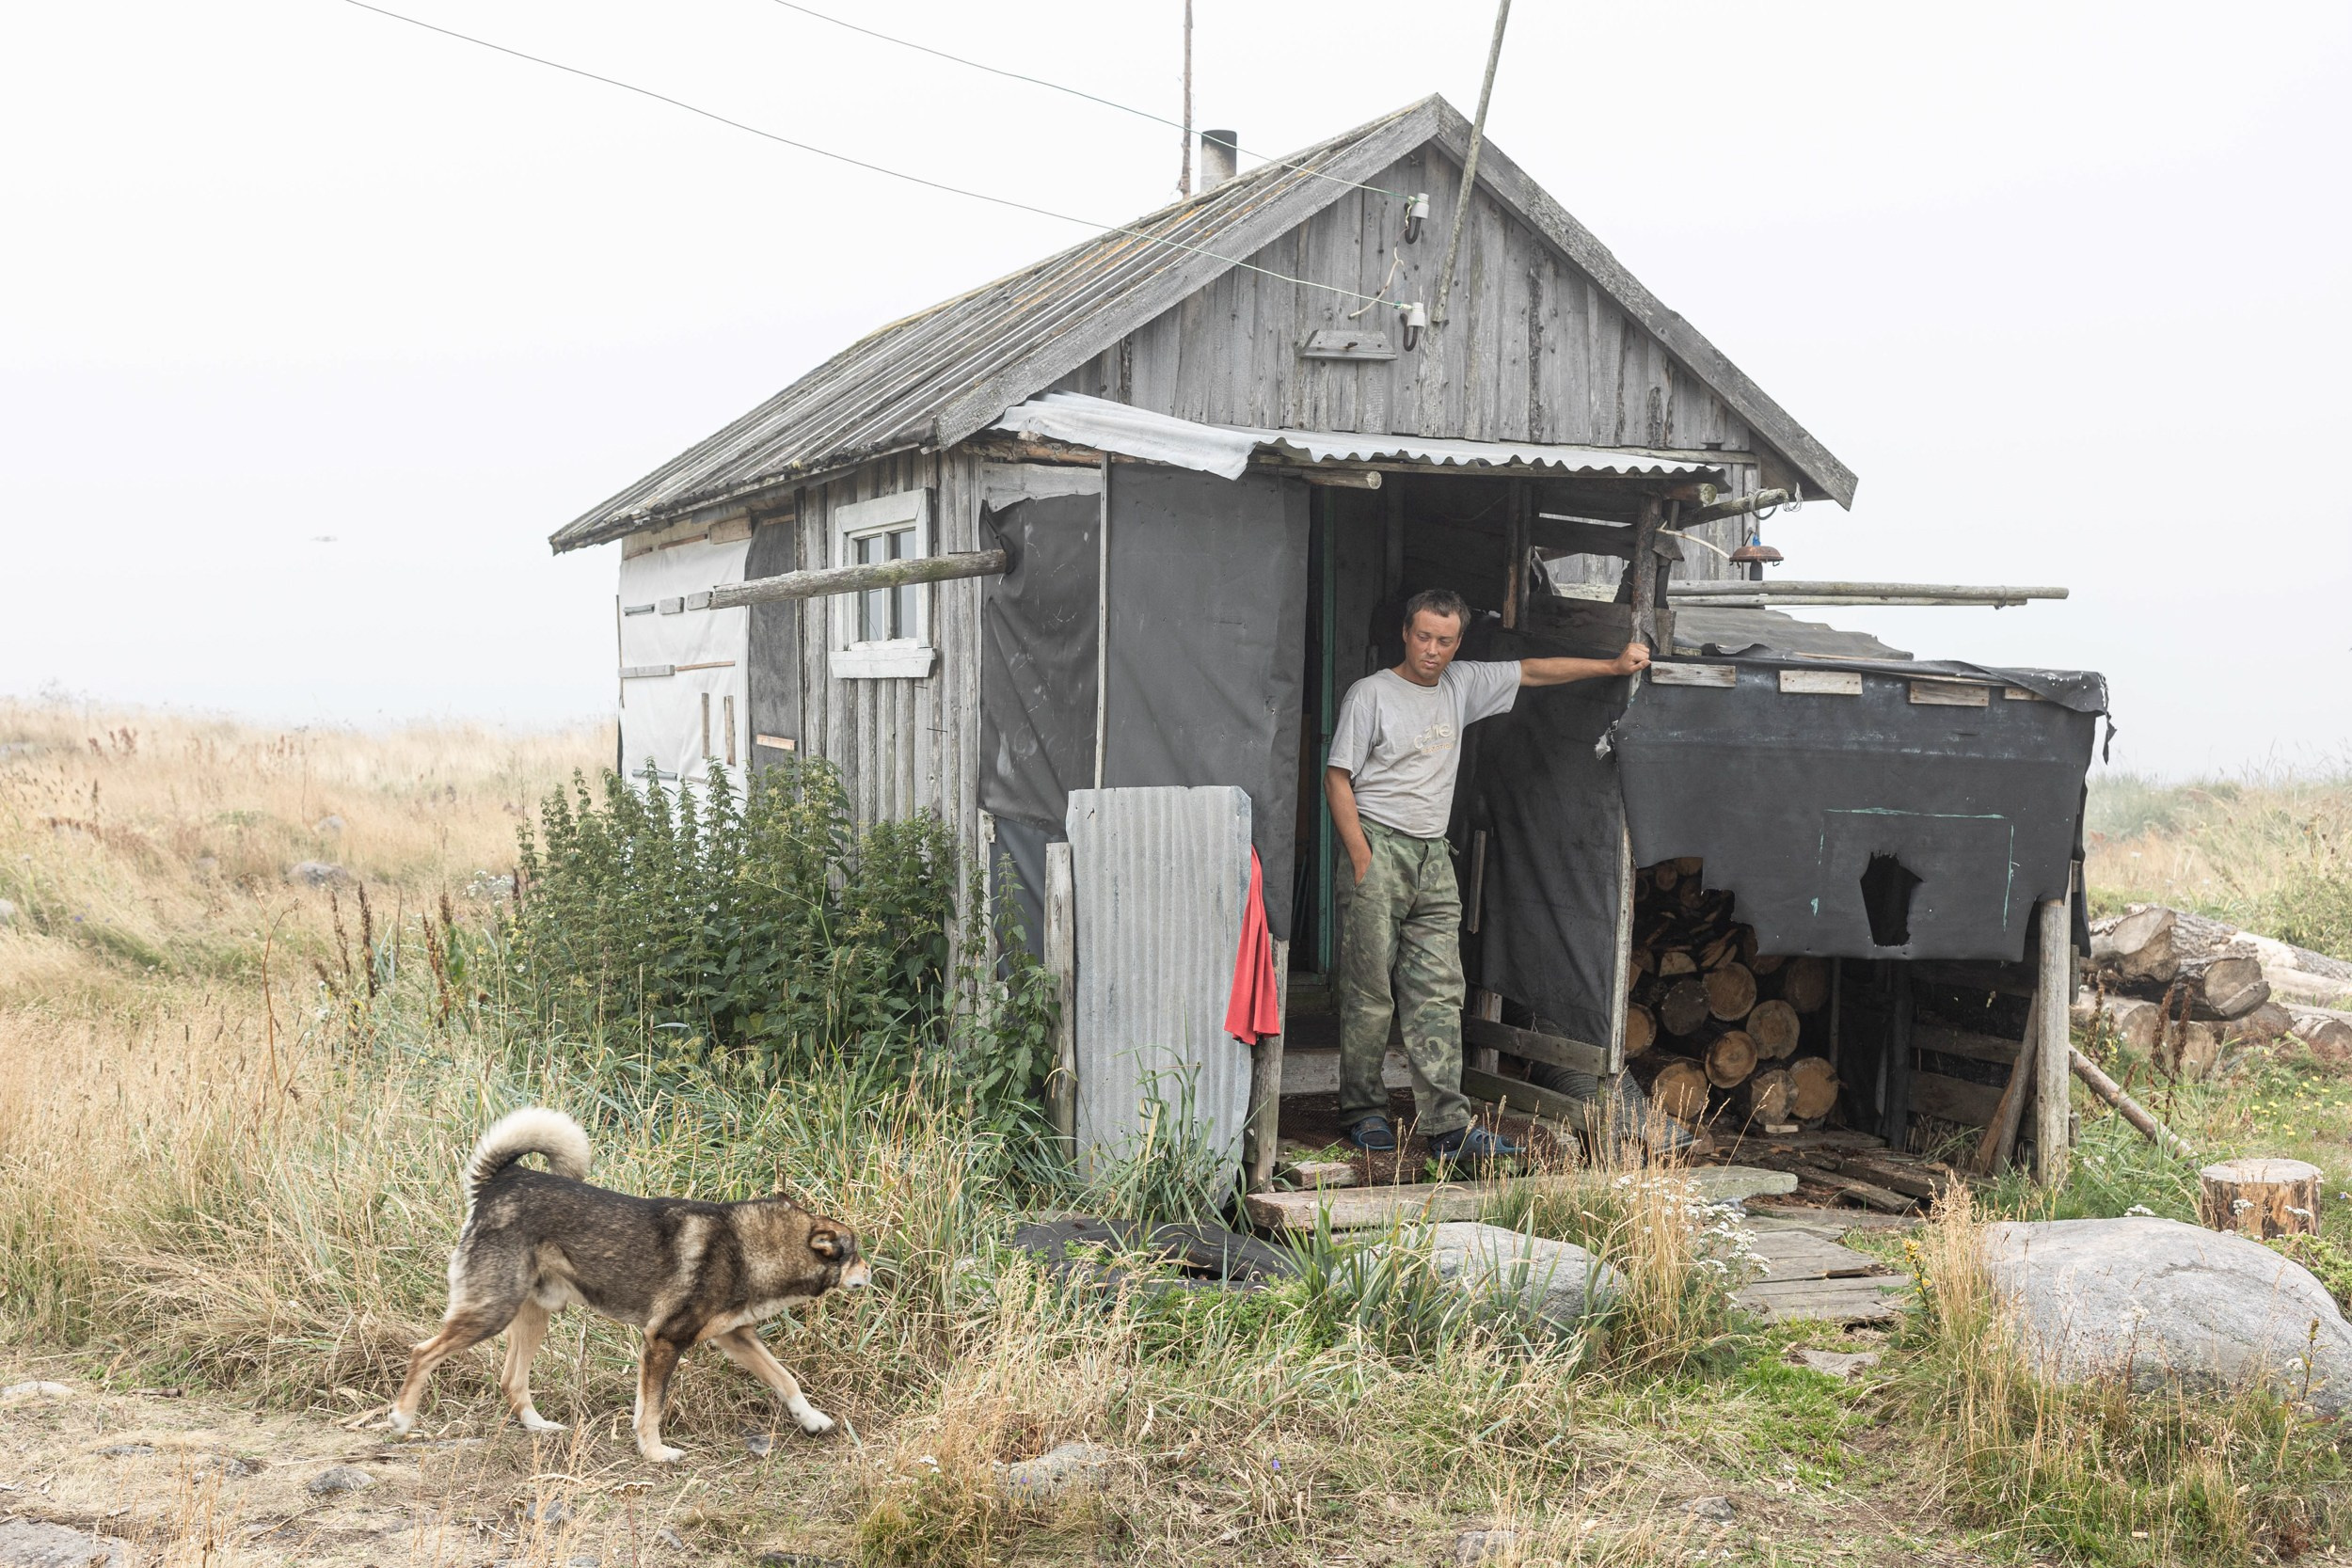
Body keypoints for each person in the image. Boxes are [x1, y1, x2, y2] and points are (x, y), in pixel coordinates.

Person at [1324, 588, 1650, 1164]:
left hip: (1433, 856)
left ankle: (1447, 1127)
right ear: (1406, 633)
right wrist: (1361, 857)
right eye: (1423, 637)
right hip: (1378, 845)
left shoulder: (1462, 683)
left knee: (1440, 990)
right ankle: (1363, 1110)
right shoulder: (1371, 693)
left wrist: (1612, 666)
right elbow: (1337, 777)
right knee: (1370, 990)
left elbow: (1533, 671)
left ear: (1458, 643)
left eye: (1445, 641)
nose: (1432, 650)